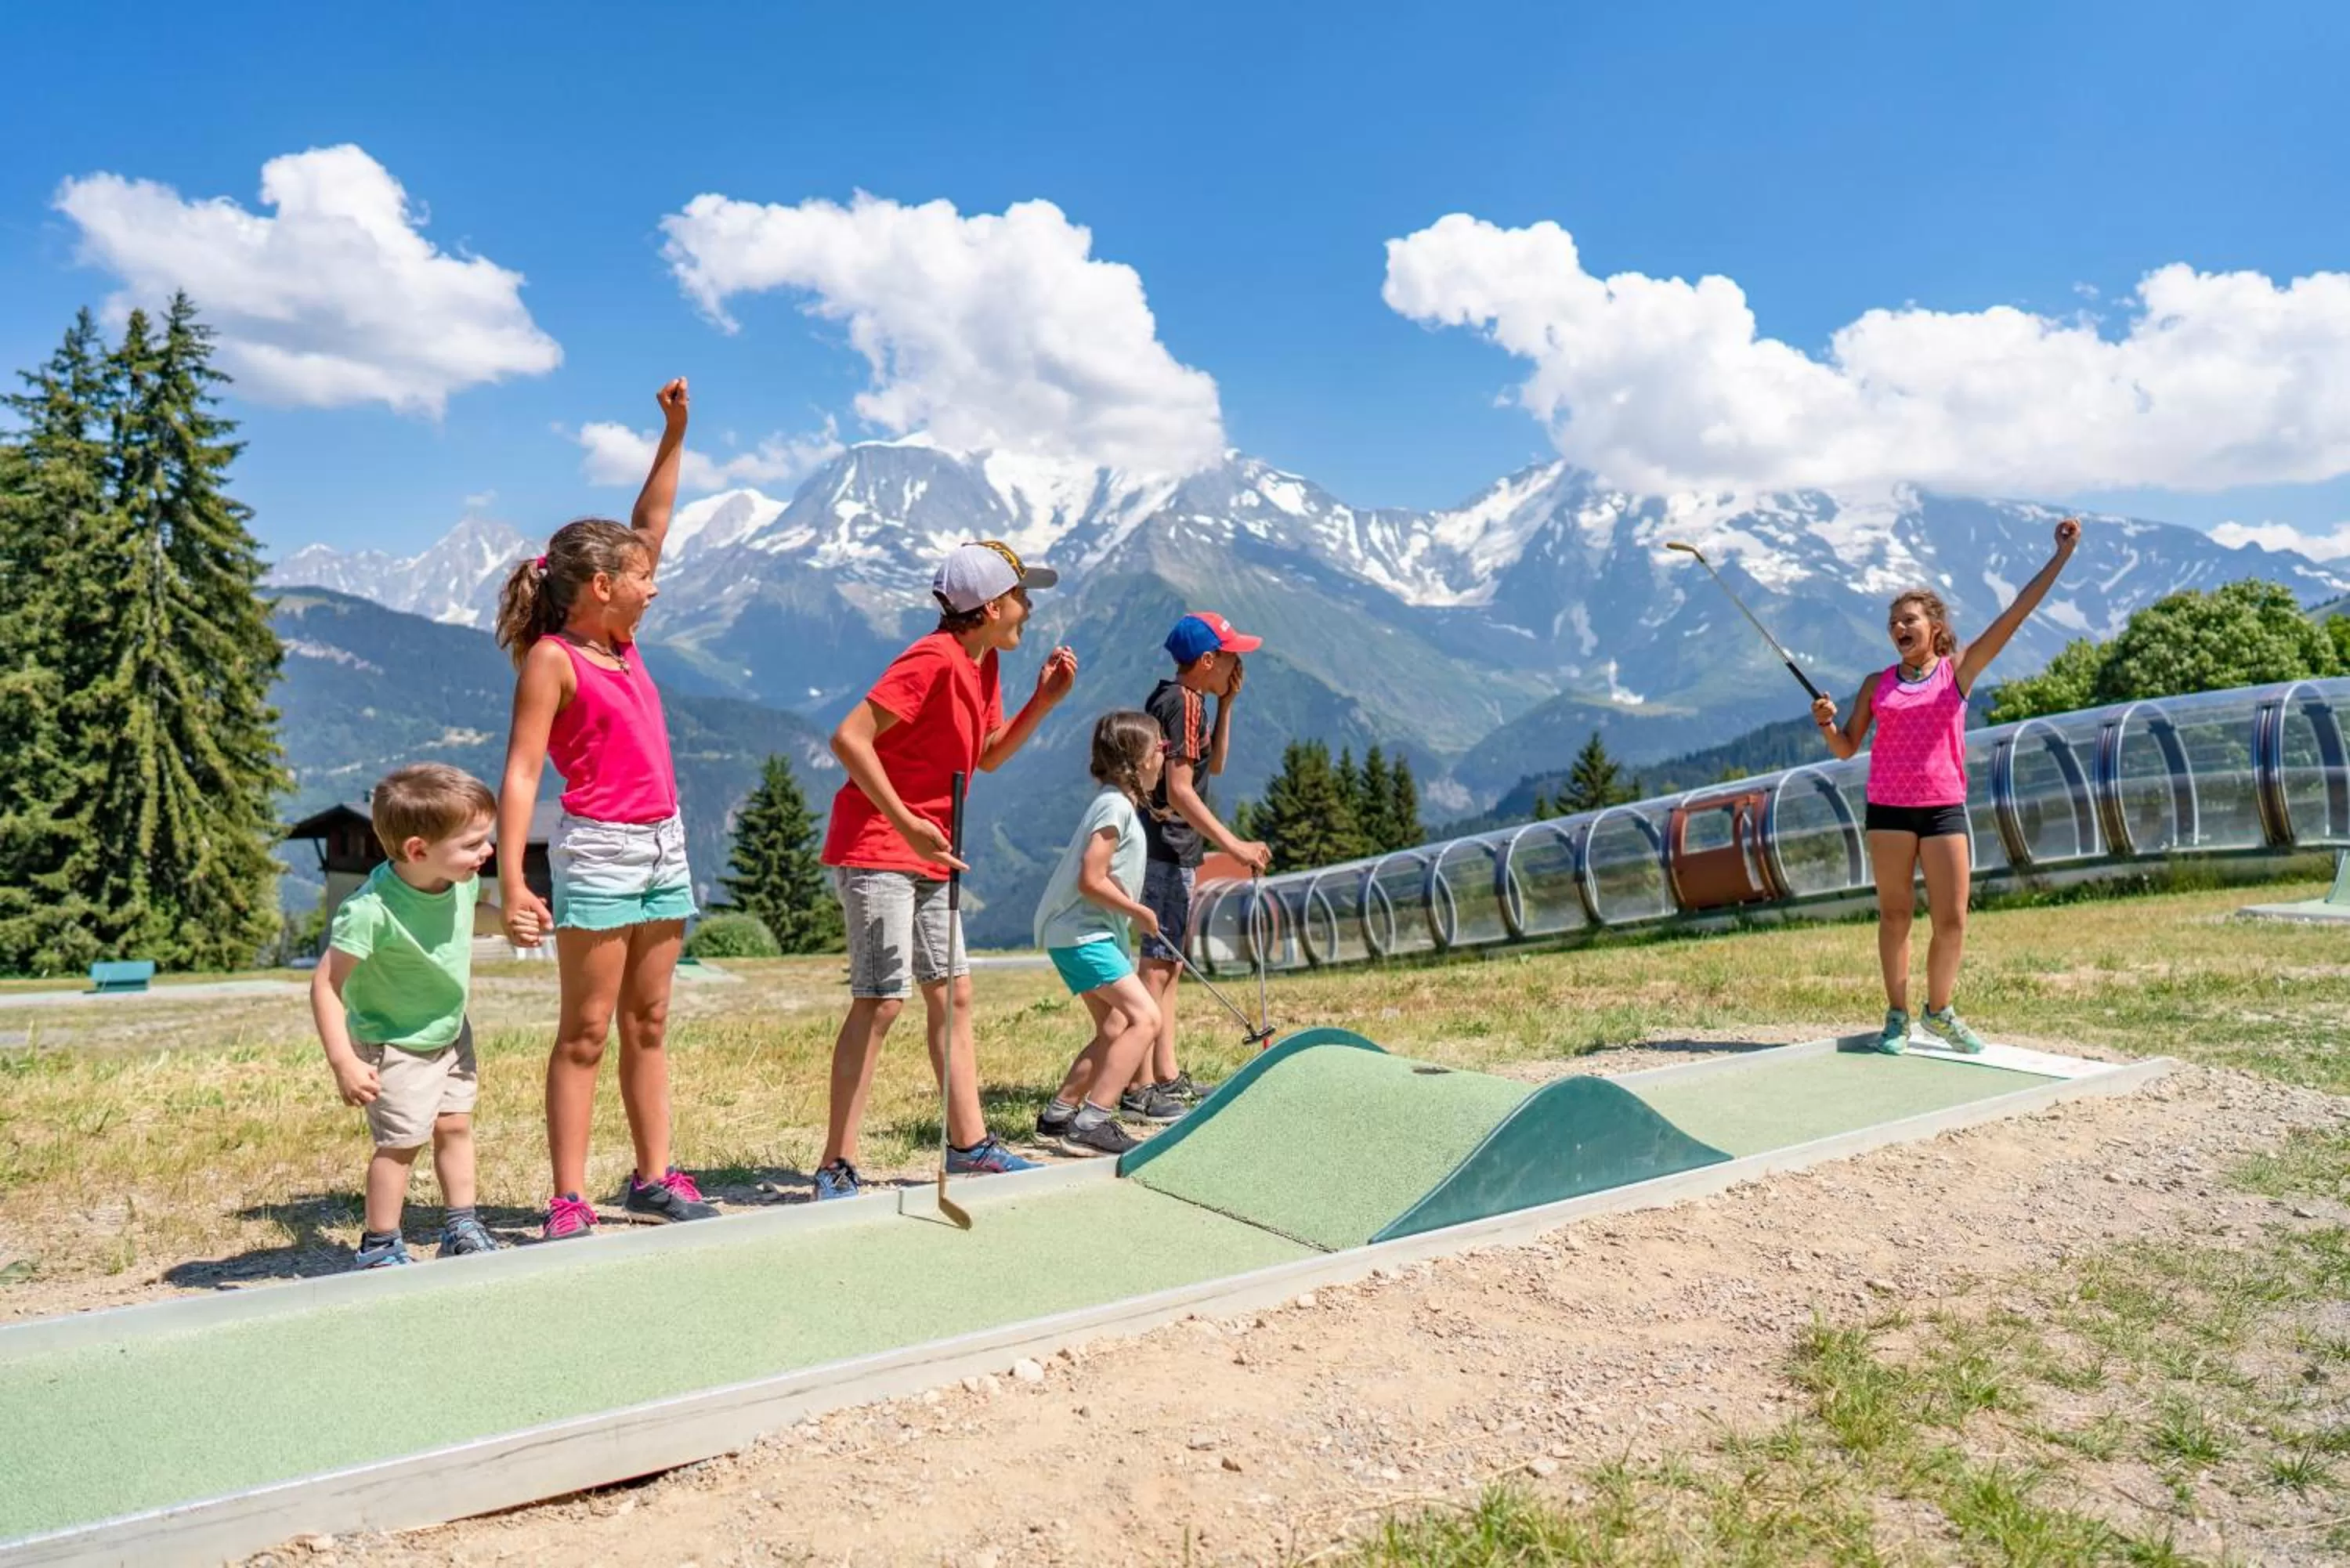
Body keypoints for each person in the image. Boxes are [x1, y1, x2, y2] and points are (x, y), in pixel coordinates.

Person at [494, 378, 717, 1240]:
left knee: (650, 1018)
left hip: (665, 846)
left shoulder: (620, 639)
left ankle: (654, 1176)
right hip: (599, 851)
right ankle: (566, 1195)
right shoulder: (554, 659)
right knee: (586, 1028)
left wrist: (675, 433)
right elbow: (520, 777)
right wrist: (513, 881)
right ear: (598, 585)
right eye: (639, 577)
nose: (653, 585)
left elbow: (650, 524)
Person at [814, 540, 1079, 1200]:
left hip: (933, 850)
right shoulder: (931, 659)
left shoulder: (981, 662)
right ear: (991, 606)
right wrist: (907, 821)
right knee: (881, 1001)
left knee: (953, 993)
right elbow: (849, 737)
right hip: (882, 845)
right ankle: (835, 1164)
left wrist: (1043, 702)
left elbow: (986, 754)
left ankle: (970, 1146)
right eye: (1021, 599)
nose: (1028, 611)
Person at [1813, 515, 2084, 1054]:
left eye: (1907, 619)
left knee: (1952, 919)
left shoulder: (1957, 671)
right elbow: (1846, 746)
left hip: (1942, 810)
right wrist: (1825, 721)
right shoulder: (1877, 684)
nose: (1898, 629)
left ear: (1933, 626)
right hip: (1888, 810)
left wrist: (2061, 557)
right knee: (1895, 914)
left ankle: (1939, 1011)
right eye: (1892, 623)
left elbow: (2016, 614)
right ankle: (1897, 1017)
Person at [309, 764, 504, 1269]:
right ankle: (380, 1245)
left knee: (455, 1126)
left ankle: (461, 1225)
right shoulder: (370, 911)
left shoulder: (456, 879)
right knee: (400, 1145)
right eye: (473, 843)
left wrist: (507, 921)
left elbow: (471, 912)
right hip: (394, 1042)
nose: (486, 852)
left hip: (448, 1030)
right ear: (418, 850)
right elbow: (326, 984)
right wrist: (343, 1062)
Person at [1128, 612, 1273, 1121]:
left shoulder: (1185, 701)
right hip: (1168, 847)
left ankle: (1164, 1074)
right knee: (1155, 965)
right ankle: (1140, 1084)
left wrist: (1227, 705)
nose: (1238, 664)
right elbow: (1181, 789)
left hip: (1172, 848)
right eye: (1232, 655)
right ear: (1208, 660)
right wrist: (1234, 846)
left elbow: (1217, 766)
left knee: (1167, 966)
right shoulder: (1185, 704)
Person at [1030, 712, 1167, 1157]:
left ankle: (1057, 1116)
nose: (1164, 753)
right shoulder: (1115, 807)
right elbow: (1092, 878)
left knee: (1113, 1027)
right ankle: (1093, 1122)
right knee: (1145, 1018)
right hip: (1083, 934)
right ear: (1138, 760)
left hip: (1078, 933)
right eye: (1158, 746)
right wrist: (1139, 912)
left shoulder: (1117, 803)